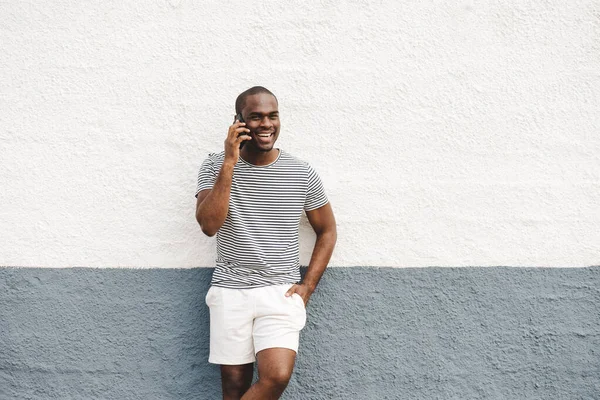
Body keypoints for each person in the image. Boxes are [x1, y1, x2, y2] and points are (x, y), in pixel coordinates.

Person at [195, 86, 337, 400]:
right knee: (233, 387)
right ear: (238, 122)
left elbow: (327, 230)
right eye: (256, 117)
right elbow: (208, 225)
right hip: (231, 290)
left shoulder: (301, 172)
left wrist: (307, 286)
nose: (266, 124)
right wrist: (229, 163)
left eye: (272, 115)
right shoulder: (214, 166)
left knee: (276, 376)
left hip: (280, 291)